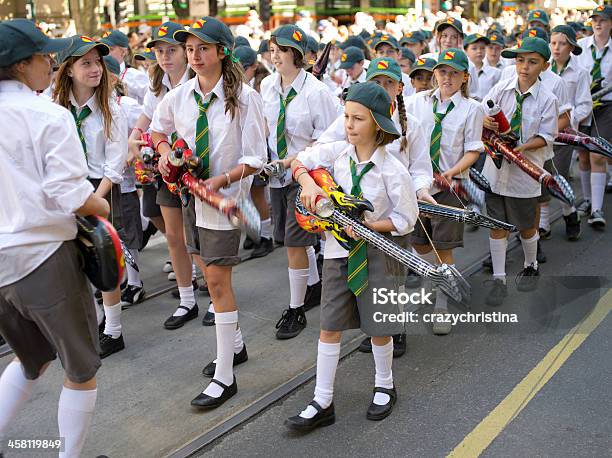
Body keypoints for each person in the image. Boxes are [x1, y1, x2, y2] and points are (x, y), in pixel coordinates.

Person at [0, 19, 110, 457]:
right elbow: (70, 193)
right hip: (43, 256)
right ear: (23, 66)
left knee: (30, 360)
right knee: (81, 368)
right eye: (45, 56)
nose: (51, 62)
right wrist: (101, 210)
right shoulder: (47, 114)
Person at [285, 82, 418, 431]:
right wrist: (309, 185)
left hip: (377, 254)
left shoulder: (394, 170)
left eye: (358, 119)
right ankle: (322, 399)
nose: (349, 125)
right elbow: (299, 162)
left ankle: (385, 385)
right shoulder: (336, 154)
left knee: (378, 327)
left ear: (377, 124)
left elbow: (407, 219)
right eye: (346, 117)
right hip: (335, 253)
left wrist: (375, 224)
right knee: (329, 326)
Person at [151, 17, 267, 408]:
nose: (195, 56)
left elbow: (256, 159)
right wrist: (168, 155)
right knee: (203, 267)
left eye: (203, 48)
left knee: (217, 283)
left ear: (222, 51)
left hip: (223, 200)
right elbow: (157, 131)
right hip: (189, 196)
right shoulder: (179, 96)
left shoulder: (247, 98)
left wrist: (222, 180)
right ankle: (235, 345)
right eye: (189, 49)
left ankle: (225, 376)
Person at [260, 24, 339, 340]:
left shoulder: (316, 92)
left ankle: (295, 310)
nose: (274, 54)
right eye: (272, 48)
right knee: (290, 237)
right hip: (276, 173)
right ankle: (314, 284)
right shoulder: (266, 86)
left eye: (280, 49)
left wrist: (294, 162)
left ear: (296, 54)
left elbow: (328, 139)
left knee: (294, 241)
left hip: (305, 175)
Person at [54, 36, 129, 358]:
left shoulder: (110, 106)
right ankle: (94, 321)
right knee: (71, 263)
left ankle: (114, 329)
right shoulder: (53, 106)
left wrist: (93, 201)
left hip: (99, 188)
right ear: (68, 69)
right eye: (85, 63)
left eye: (98, 62)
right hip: (64, 187)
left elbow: (115, 161)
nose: (95, 69)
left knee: (101, 258)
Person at [128, 22, 204, 329]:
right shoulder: (157, 84)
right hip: (166, 167)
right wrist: (134, 140)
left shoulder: (199, 80)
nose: (165, 57)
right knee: (174, 236)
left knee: (200, 238)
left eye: (171, 50)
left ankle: (216, 295)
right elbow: (146, 120)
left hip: (198, 168)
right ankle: (187, 300)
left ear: (185, 53)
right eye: (159, 51)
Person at [405, 49, 484, 334]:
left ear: (464, 77)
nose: (446, 78)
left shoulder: (472, 109)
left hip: (449, 188)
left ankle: (441, 304)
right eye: (442, 71)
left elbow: (474, 148)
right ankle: (434, 281)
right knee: (421, 244)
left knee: (444, 249)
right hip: (418, 186)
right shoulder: (416, 103)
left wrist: (452, 172)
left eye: (453, 73)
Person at [481, 37, 559, 306]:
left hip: (525, 172)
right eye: (520, 60)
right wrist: (487, 122)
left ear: (545, 66)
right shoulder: (501, 88)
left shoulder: (547, 99)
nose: (524, 66)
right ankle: (499, 279)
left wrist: (522, 148)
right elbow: (482, 116)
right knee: (496, 224)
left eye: (532, 62)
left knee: (526, 226)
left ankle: (531, 263)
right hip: (496, 170)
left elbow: (548, 135)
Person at [104, 55, 148, 305]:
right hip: (104, 183)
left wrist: (133, 153)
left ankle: (135, 282)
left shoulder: (127, 104)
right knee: (112, 234)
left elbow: (144, 135)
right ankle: (119, 280)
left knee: (128, 232)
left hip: (126, 182)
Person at [546, 25, 592, 241]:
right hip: (540, 131)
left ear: (572, 47)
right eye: (553, 42)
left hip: (564, 133)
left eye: (562, 43)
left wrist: (567, 121)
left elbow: (584, 104)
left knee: (559, 175)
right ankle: (542, 223)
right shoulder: (543, 69)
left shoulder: (580, 72)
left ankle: (569, 213)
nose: (556, 48)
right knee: (541, 175)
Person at [575, 5, 612, 228]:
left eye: (603, 20)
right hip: (583, 106)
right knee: (583, 155)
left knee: (598, 154)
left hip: (606, 107)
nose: (598, 23)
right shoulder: (580, 48)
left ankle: (597, 210)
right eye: (595, 20)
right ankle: (587, 200)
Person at [101, 30, 149, 104]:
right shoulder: (97, 74)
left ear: (123, 52)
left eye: (110, 49)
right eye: (103, 49)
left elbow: (153, 105)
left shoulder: (135, 76)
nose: (105, 53)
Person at [464, 34, 501, 101]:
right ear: (466, 51)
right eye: (474, 48)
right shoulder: (461, 71)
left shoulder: (495, 73)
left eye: (482, 48)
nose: (479, 51)